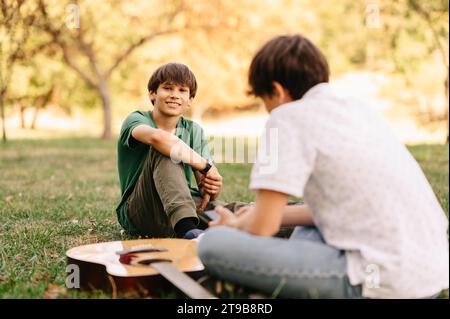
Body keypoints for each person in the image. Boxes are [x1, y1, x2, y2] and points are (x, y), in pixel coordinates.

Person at [198, 35, 449, 298]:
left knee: (213, 245)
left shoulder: (286, 117)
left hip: (381, 281)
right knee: (312, 224)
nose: (268, 110)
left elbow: (264, 228)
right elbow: (328, 211)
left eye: (265, 100)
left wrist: (233, 227)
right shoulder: (359, 110)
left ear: (277, 90)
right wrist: (252, 213)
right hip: (428, 274)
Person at [116, 62, 228, 239]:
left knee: (235, 213)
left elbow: (205, 187)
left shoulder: (194, 131)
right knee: (167, 148)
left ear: (190, 100)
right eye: (168, 88)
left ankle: (285, 222)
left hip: (183, 205)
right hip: (141, 210)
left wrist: (211, 187)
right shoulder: (136, 118)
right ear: (152, 93)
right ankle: (187, 230)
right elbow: (158, 139)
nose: (175, 95)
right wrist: (206, 166)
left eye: (182, 90)